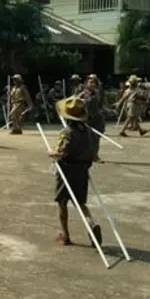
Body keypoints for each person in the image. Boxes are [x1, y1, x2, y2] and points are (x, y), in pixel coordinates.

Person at [49, 96, 102, 248]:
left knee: (62, 202)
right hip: (82, 169)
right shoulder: (89, 132)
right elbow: (92, 153)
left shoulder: (68, 132)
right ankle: (91, 225)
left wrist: (52, 153)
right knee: (80, 203)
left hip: (67, 169)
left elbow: (63, 152)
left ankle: (65, 235)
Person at [79, 74, 105, 162]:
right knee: (85, 138)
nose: (93, 84)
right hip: (86, 118)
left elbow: (100, 104)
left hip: (96, 118)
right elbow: (75, 102)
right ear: (86, 83)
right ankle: (84, 155)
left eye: (94, 82)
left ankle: (95, 156)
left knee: (96, 138)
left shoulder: (98, 93)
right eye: (91, 82)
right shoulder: (82, 93)